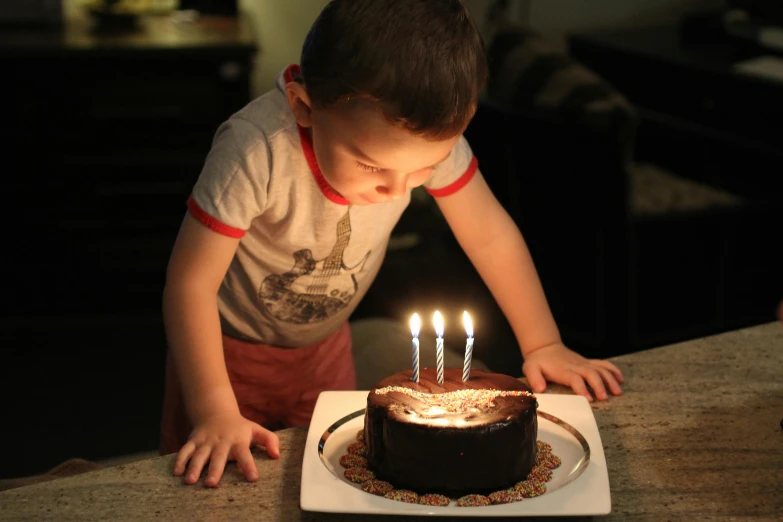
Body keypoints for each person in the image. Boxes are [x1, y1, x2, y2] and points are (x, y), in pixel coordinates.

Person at [160, 0, 624, 488]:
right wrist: (213, 409)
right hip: (225, 359)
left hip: (325, 352)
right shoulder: (255, 152)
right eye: (370, 165)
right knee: (216, 489)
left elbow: (489, 235)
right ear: (304, 107)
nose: (399, 189)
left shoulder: (423, 132)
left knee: (323, 480)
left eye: (423, 168)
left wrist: (544, 342)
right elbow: (189, 285)